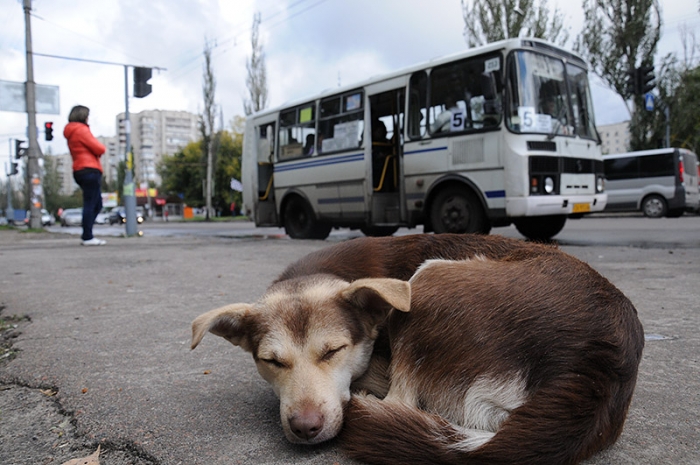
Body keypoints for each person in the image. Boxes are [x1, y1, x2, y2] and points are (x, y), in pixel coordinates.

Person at [63, 105, 107, 246]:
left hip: (79, 169)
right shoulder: (81, 130)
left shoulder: (71, 131)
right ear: (83, 116)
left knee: (97, 204)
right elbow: (100, 148)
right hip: (89, 169)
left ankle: (87, 233)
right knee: (90, 203)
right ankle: (87, 236)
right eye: (87, 115)